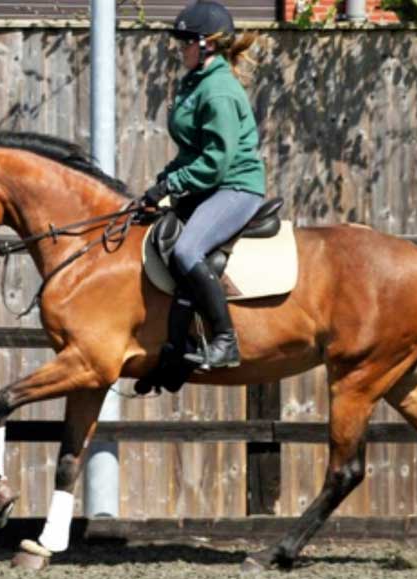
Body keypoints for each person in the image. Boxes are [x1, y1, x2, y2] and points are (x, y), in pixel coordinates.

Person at [142, 0, 265, 370]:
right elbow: (192, 151)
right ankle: (178, 343)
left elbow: (215, 162)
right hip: (209, 185)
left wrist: (173, 184)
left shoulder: (218, 92)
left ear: (207, 44)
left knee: (186, 251)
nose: (181, 50)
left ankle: (226, 340)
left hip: (235, 187)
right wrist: (162, 183)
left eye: (186, 43)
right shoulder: (195, 83)